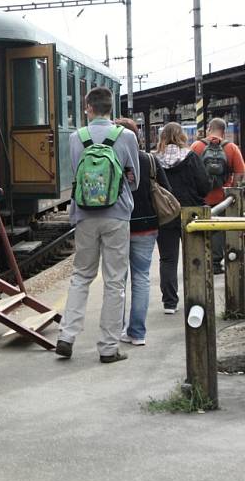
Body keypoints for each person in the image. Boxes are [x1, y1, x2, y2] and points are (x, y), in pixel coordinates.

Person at [55, 87, 139, 364]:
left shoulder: (77, 137)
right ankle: (107, 347)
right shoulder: (126, 136)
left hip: (84, 214)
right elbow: (134, 181)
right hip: (117, 215)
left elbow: (76, 172)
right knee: (115, 281)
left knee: (81, 275)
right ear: (111, 108)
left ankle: (66, 336)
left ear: (88, 107)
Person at [115, 117, 171, 346]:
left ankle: (115, 329)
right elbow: (167, 190)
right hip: (147, 227)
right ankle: (137, 333)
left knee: (117, 281)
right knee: (141, 278)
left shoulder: (112, 158)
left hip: (118, 224)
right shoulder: (149, 159)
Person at [153, 122, 210, 313]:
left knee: (168, 259)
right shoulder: (192, 157)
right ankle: (196, 299)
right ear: (182, 136)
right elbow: (204, 186)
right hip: (191, 213)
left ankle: (170, 303)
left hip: (165, 214)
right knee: (193, 256)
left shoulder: (154, 159)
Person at [190, 117, 245, 274]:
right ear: (224, 131)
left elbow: (189, 171)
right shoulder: (232, 148)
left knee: (199, 229)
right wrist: (232, 189)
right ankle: (215, 263)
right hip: (223, 199)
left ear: (209, 128)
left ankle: (199, 262)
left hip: (201, 198)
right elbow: (240, 173)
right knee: (219, 231)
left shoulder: (197, 146)